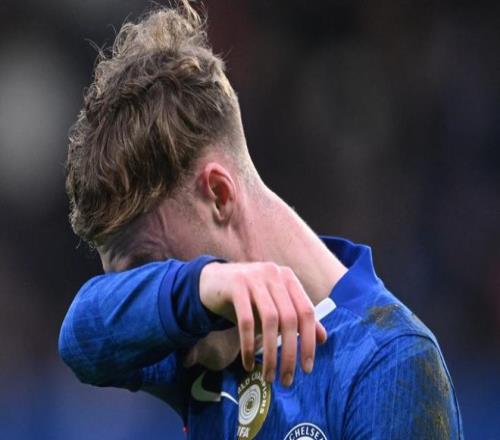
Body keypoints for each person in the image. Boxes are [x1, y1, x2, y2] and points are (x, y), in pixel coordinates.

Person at [59, 1, 463, 438]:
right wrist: (200, 285)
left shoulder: (387, 360)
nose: (153, 310)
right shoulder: (196, 337)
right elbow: (80, 338)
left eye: (151, 267)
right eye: (140, 287)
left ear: (219, 195)